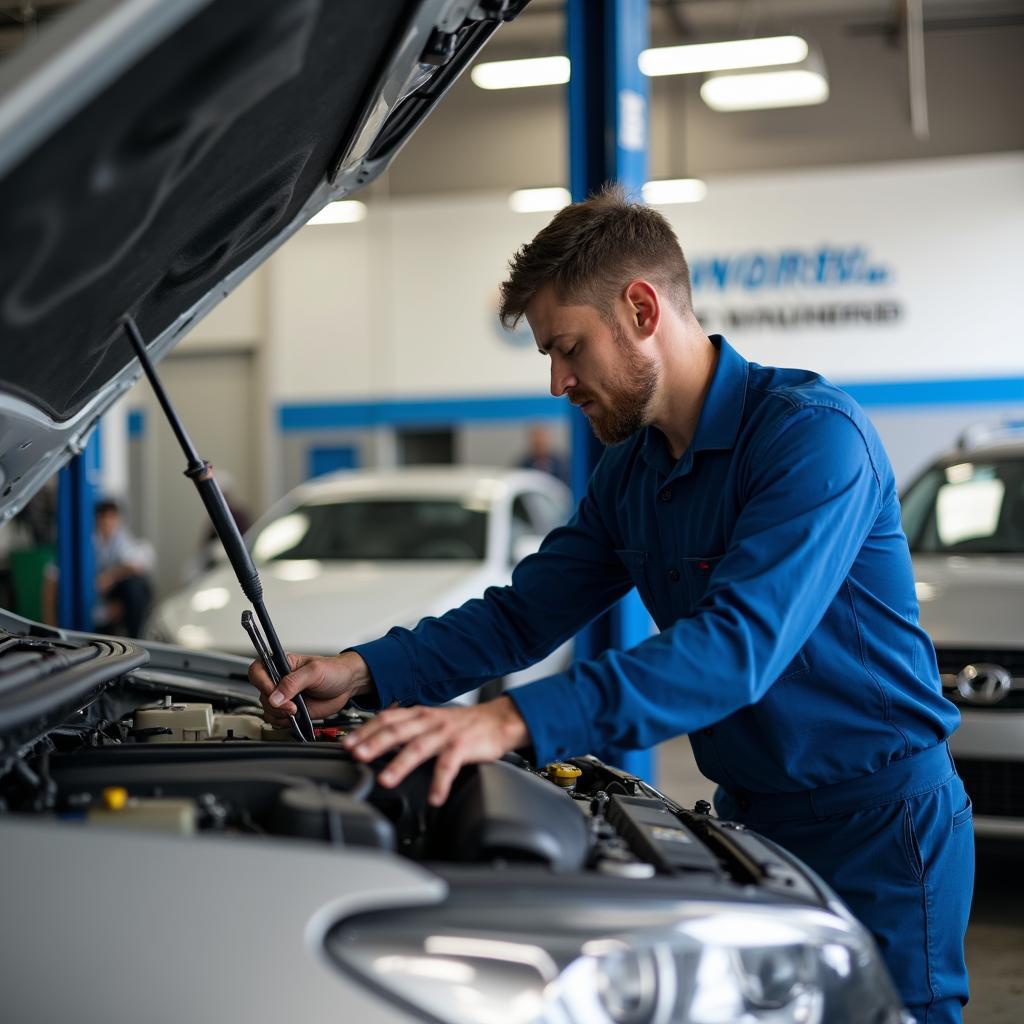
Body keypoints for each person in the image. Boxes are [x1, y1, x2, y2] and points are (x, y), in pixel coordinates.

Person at [249, 186, 973, 1022]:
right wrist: (365, 667)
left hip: (881, 827)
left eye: (568, 349)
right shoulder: (632, 474)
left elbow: (734, 649)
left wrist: (507, 723)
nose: (558, 382)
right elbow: (524, 615)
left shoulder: (812, 441)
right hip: (754, 820)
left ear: (639, 308)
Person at [94, 497, 154, 637]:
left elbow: (135, 565)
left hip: (112, 598)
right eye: (105, 517)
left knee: (138, 585)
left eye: (112, 517)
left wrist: (110, 576)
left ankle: (136, 637)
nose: (108, 522)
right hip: (95, 603)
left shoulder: (121, 539)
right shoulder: (89, 541)